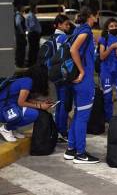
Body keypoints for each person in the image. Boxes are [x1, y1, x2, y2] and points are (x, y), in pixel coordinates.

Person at [63, 6, 99, 164]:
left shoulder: (79, 30)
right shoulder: (85, 31)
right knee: (82, 118)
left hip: (77, 81)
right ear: (93, 16)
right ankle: (81, 153)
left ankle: (71, 149)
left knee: (78, 115)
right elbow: (73, 50)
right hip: (84, 81)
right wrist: (82, 71)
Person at [0, 65, 52, 142]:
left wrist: (41, 103)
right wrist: (40, 106)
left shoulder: (26, 80)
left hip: (7, 107)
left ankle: (12, 129)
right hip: (3, 110)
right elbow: (21, 103)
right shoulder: (28, 82)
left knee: (31, 110)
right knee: (34, 114)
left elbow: (25, 100)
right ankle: (6, 129)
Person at [53, 14, 73, 142]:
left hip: (55, 73)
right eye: (66, 24)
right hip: (64, 73)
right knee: (64, 104)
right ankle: (62, 131)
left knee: (60, 102)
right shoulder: (64, 37)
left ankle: (58, 130)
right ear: (59, 25)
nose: (69, 26)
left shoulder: (52, 37)